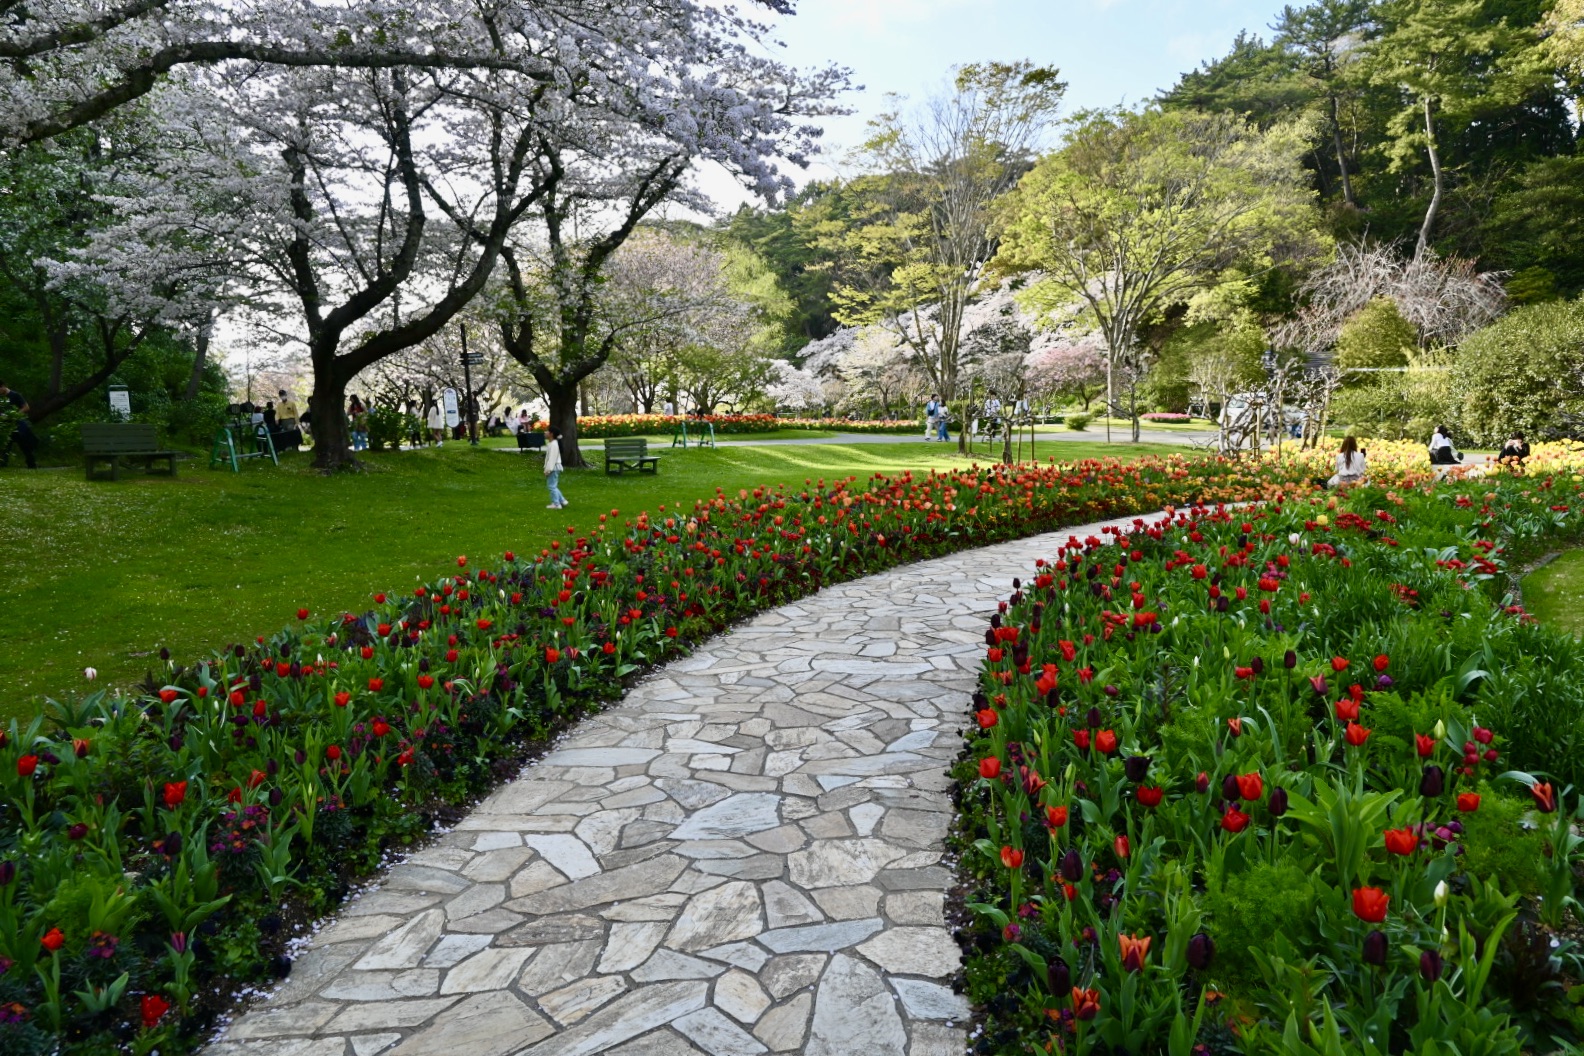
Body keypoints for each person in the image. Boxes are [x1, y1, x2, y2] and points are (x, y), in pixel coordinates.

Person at [0, 380, 38, 469]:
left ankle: (32, 465)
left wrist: (14, 415)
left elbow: (26, 407)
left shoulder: (15, 395)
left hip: (17, 425)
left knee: (25, 446)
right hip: (6, 426)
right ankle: (3, 465)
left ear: (3, 386)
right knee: (5, 447)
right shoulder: (1, 398)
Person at [543, 425, 567, 509]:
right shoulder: (552, 444)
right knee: (553, 485)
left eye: (547, 431)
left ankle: (556, 504)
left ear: (551, 434)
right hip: (554, 467)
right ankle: (562, 500)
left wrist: (548, 470)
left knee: (551, 486)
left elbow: (552, 459)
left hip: (553, 468)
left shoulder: (553, 445)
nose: (545, 432)